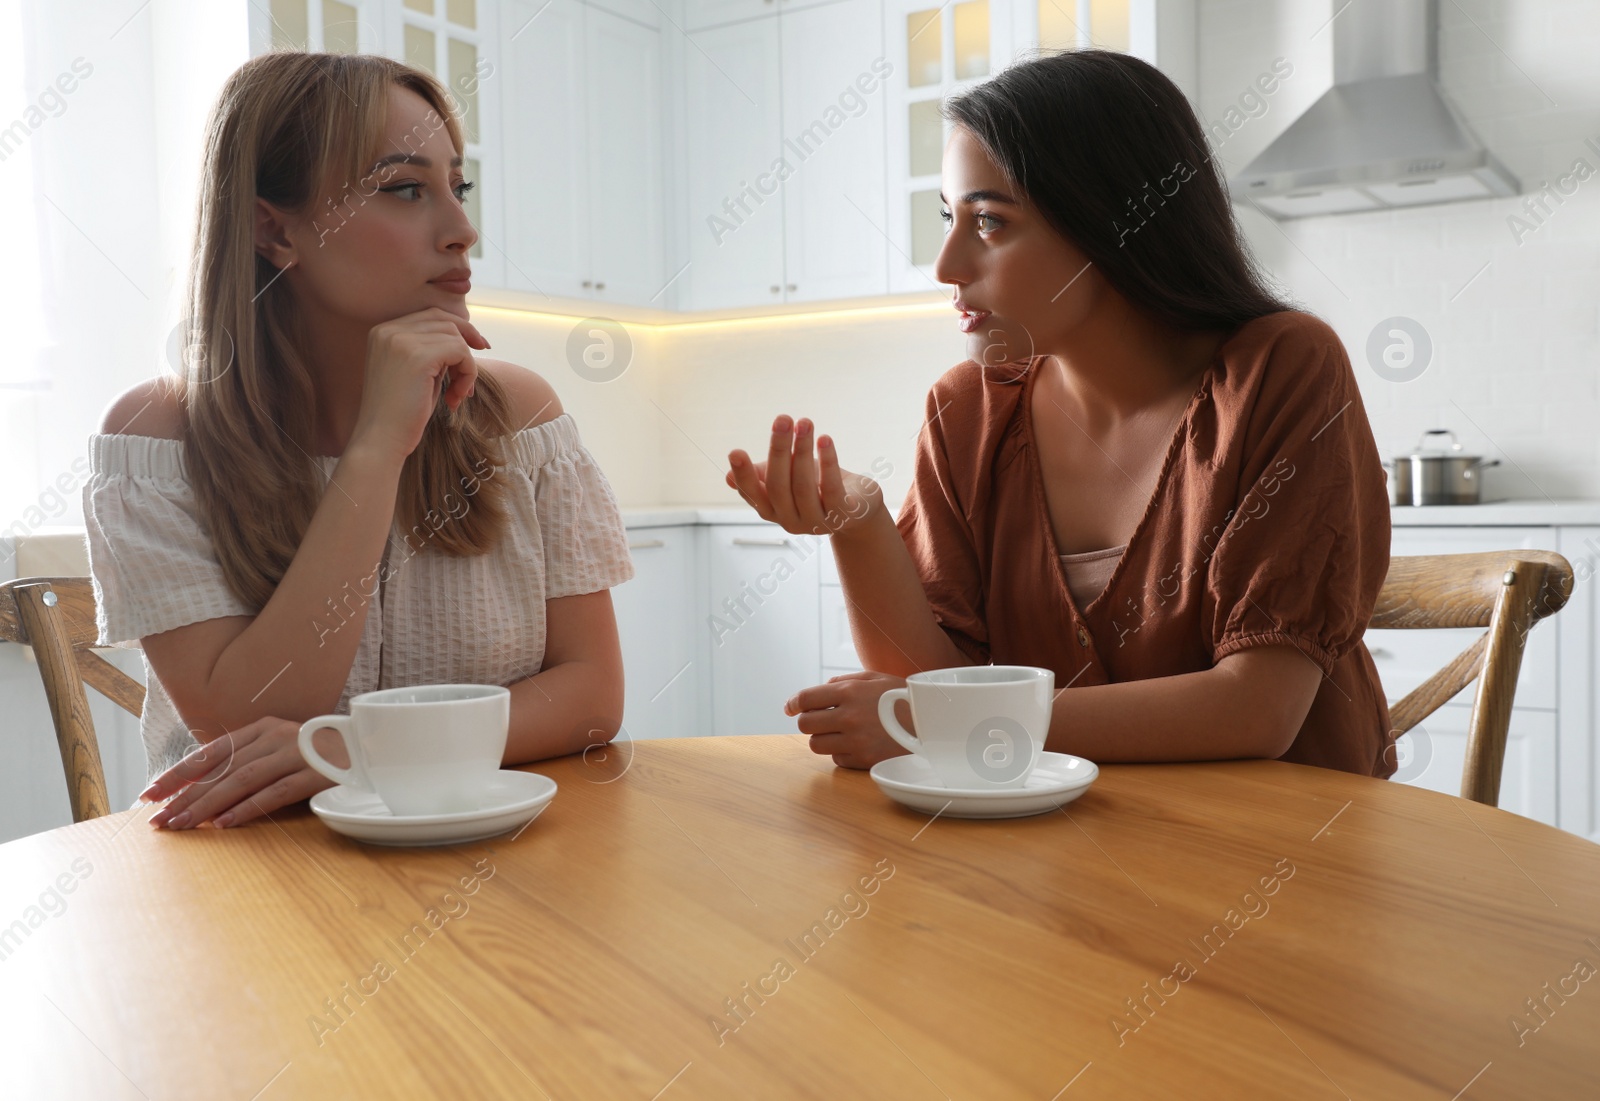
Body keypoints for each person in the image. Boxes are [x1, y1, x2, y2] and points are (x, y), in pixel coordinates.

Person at [726, 50, 1395, 778]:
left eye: (988, 222)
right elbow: (932, 678)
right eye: (949, 217)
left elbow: (1258, 709)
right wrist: (857, 523)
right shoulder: (965, 411)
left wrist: (961, 723)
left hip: (1285, 854)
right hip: (1069, 843)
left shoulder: (1281, 369)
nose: (946, 264)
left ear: (1110, 221)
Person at [83, 52, 634, 830]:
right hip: (247, 878)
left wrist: (357, 752)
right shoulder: (156, 441)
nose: (461, 229)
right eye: (406, 189)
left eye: (457, 185)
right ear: (273, 229)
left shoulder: (520, 418)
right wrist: (378, 446)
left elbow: (590, 697)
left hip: (486, 858)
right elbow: (243, 726)